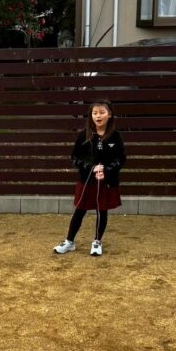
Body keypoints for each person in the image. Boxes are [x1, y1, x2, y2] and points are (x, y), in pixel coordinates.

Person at [53, 100, 126, 257]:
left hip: (106, 182)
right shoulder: (84, 135)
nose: (98, 116)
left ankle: (97, 241)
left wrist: (106, 170)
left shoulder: (116, 136)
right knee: (80, 210)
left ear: (110, 114)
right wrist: (91, 168)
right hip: (87, 180)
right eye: (95, 113)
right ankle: (69, 242)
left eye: (102, 112)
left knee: (102, 211)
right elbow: (75, 158)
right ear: (91, 115)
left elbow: (121, 159)